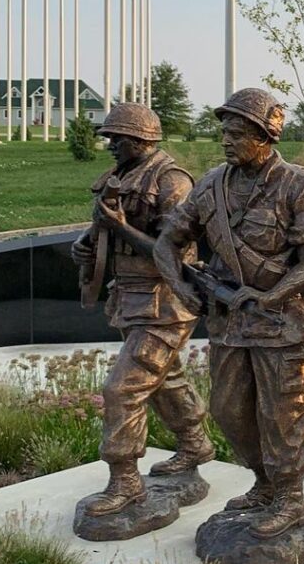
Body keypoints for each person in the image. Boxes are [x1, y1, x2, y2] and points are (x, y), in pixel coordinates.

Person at [154, 88, 304, 539]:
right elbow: (168, 242)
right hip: (229, 322)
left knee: (284, 415)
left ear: (264, 136)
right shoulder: (212, 185)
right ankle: (264, 484)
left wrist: (270, 296)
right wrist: (184, 290)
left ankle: (290, 497)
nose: (225, 139)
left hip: (283, 324)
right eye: (223, 130)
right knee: (227, 410)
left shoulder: (300, 185)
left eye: (236, 132)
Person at [70, 103, 213, 517]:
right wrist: (85, 244)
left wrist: (118, 228)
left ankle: (126, 483)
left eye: (117, 138)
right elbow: (101, 228)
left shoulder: (172, 181)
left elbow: (174, 254)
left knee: (123, 389)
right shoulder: (123, 175)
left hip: (164, 303)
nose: (110, 144)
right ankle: (194, 444)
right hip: (130, 297)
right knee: (165, 379)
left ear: (140, 140)